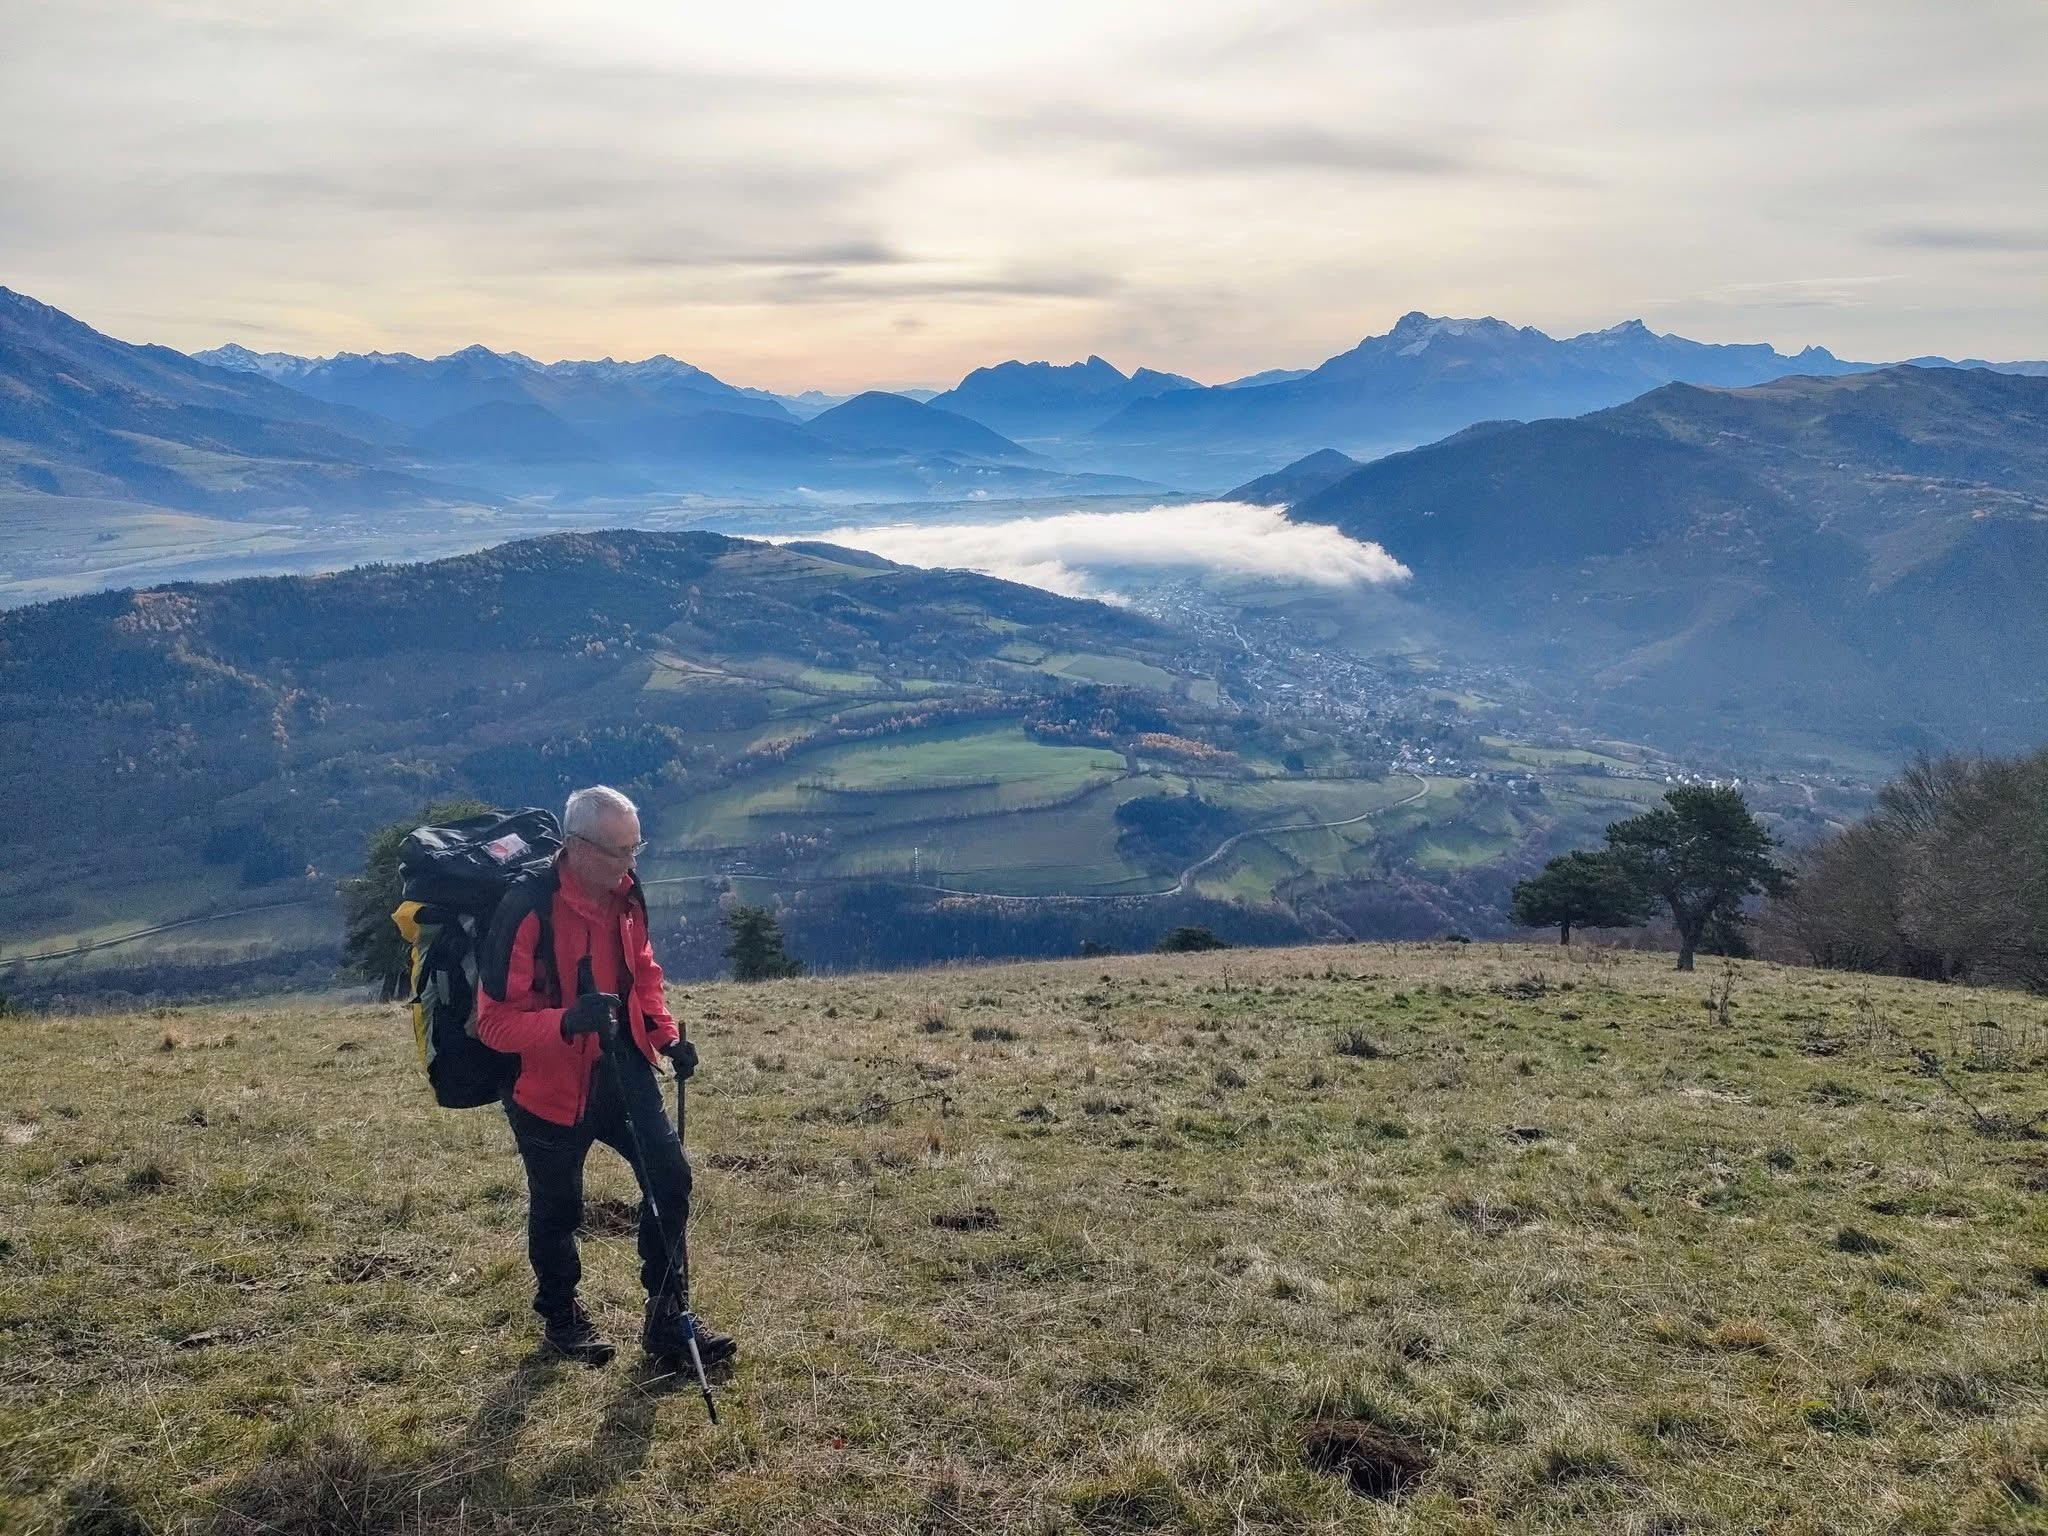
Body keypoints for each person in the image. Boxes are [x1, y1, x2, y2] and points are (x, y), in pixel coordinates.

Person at [477, 784, 735, 1368]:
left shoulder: (626, 895)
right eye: (617, 851)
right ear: (575, 846)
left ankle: (668, 1320)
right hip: (543, 1085)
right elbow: (493, 1024)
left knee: (669, 1180)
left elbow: (643, 972)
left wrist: (666, 1036)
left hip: (622, 1066)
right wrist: (566, 1021)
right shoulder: (526, 909)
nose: (629, 863)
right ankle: (562, 1318)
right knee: (558, 1204)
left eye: (634, 849)